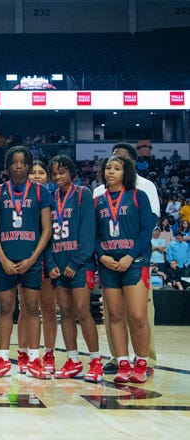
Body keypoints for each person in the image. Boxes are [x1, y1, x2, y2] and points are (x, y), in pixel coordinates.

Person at [0, 145, 53, 379]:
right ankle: (3, 358)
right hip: (5, 259)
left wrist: (33, 258)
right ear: (7, 165)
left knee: (32, 309)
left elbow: (47, 229)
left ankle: (34, 359)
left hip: (31, 259)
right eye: (14, 162)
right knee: (5, 309)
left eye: (23, 162)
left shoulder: (40, 192)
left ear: (28, 165)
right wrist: (1, 257)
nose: (18, 166)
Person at [93, 143, 159, 373]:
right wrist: (102, 257)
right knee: (115, 316)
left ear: (127, 171)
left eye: (116, 168)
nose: (110, 171)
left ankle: (141, 363)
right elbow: (94, 235)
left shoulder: (139, 195)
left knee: (138, 316)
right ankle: (122, 362)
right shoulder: (98, 199)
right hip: (109, 265)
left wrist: (131, 256)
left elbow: (146, 231)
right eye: (108, 167)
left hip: (134, 263)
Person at [46, 155, 103, 382]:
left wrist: (75, 262)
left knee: (82, 310)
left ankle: (96, 360)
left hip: (80, 264)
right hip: (57, 265)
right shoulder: (50, 199)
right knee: (65, 313)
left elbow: (88, 233)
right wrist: (50, 263)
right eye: (55, 173)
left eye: (62, 172)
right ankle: (72, 360)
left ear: (71, 172)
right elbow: (46, 235)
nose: (58, 176)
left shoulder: (83, 194)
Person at [25, 160, 58, 374]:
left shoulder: (55, 199)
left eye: (41, 172)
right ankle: (27, 353)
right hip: (27, 257)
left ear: (48, 176)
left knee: (47, 308)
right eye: (32, 173)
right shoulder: (21, 197)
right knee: (28, 309)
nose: (37, 176)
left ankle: (49, 353)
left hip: (48, 257)